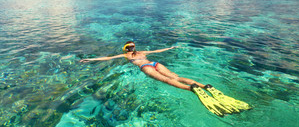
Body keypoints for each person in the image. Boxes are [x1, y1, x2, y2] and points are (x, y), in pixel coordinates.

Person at [80, 41, 251, 117]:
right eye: (131, 46)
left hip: (146, 66)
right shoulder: (140, 52)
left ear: (127, 48)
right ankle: (204, 86)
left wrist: (169, 47)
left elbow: (107, 59)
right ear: (131, 47)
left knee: (169, 80)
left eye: (130, 47)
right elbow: (158, 51)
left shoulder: (127, 55)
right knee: (176, 76)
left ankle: (193, 88)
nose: (131, 48)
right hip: (154, 63)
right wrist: (170, 47)